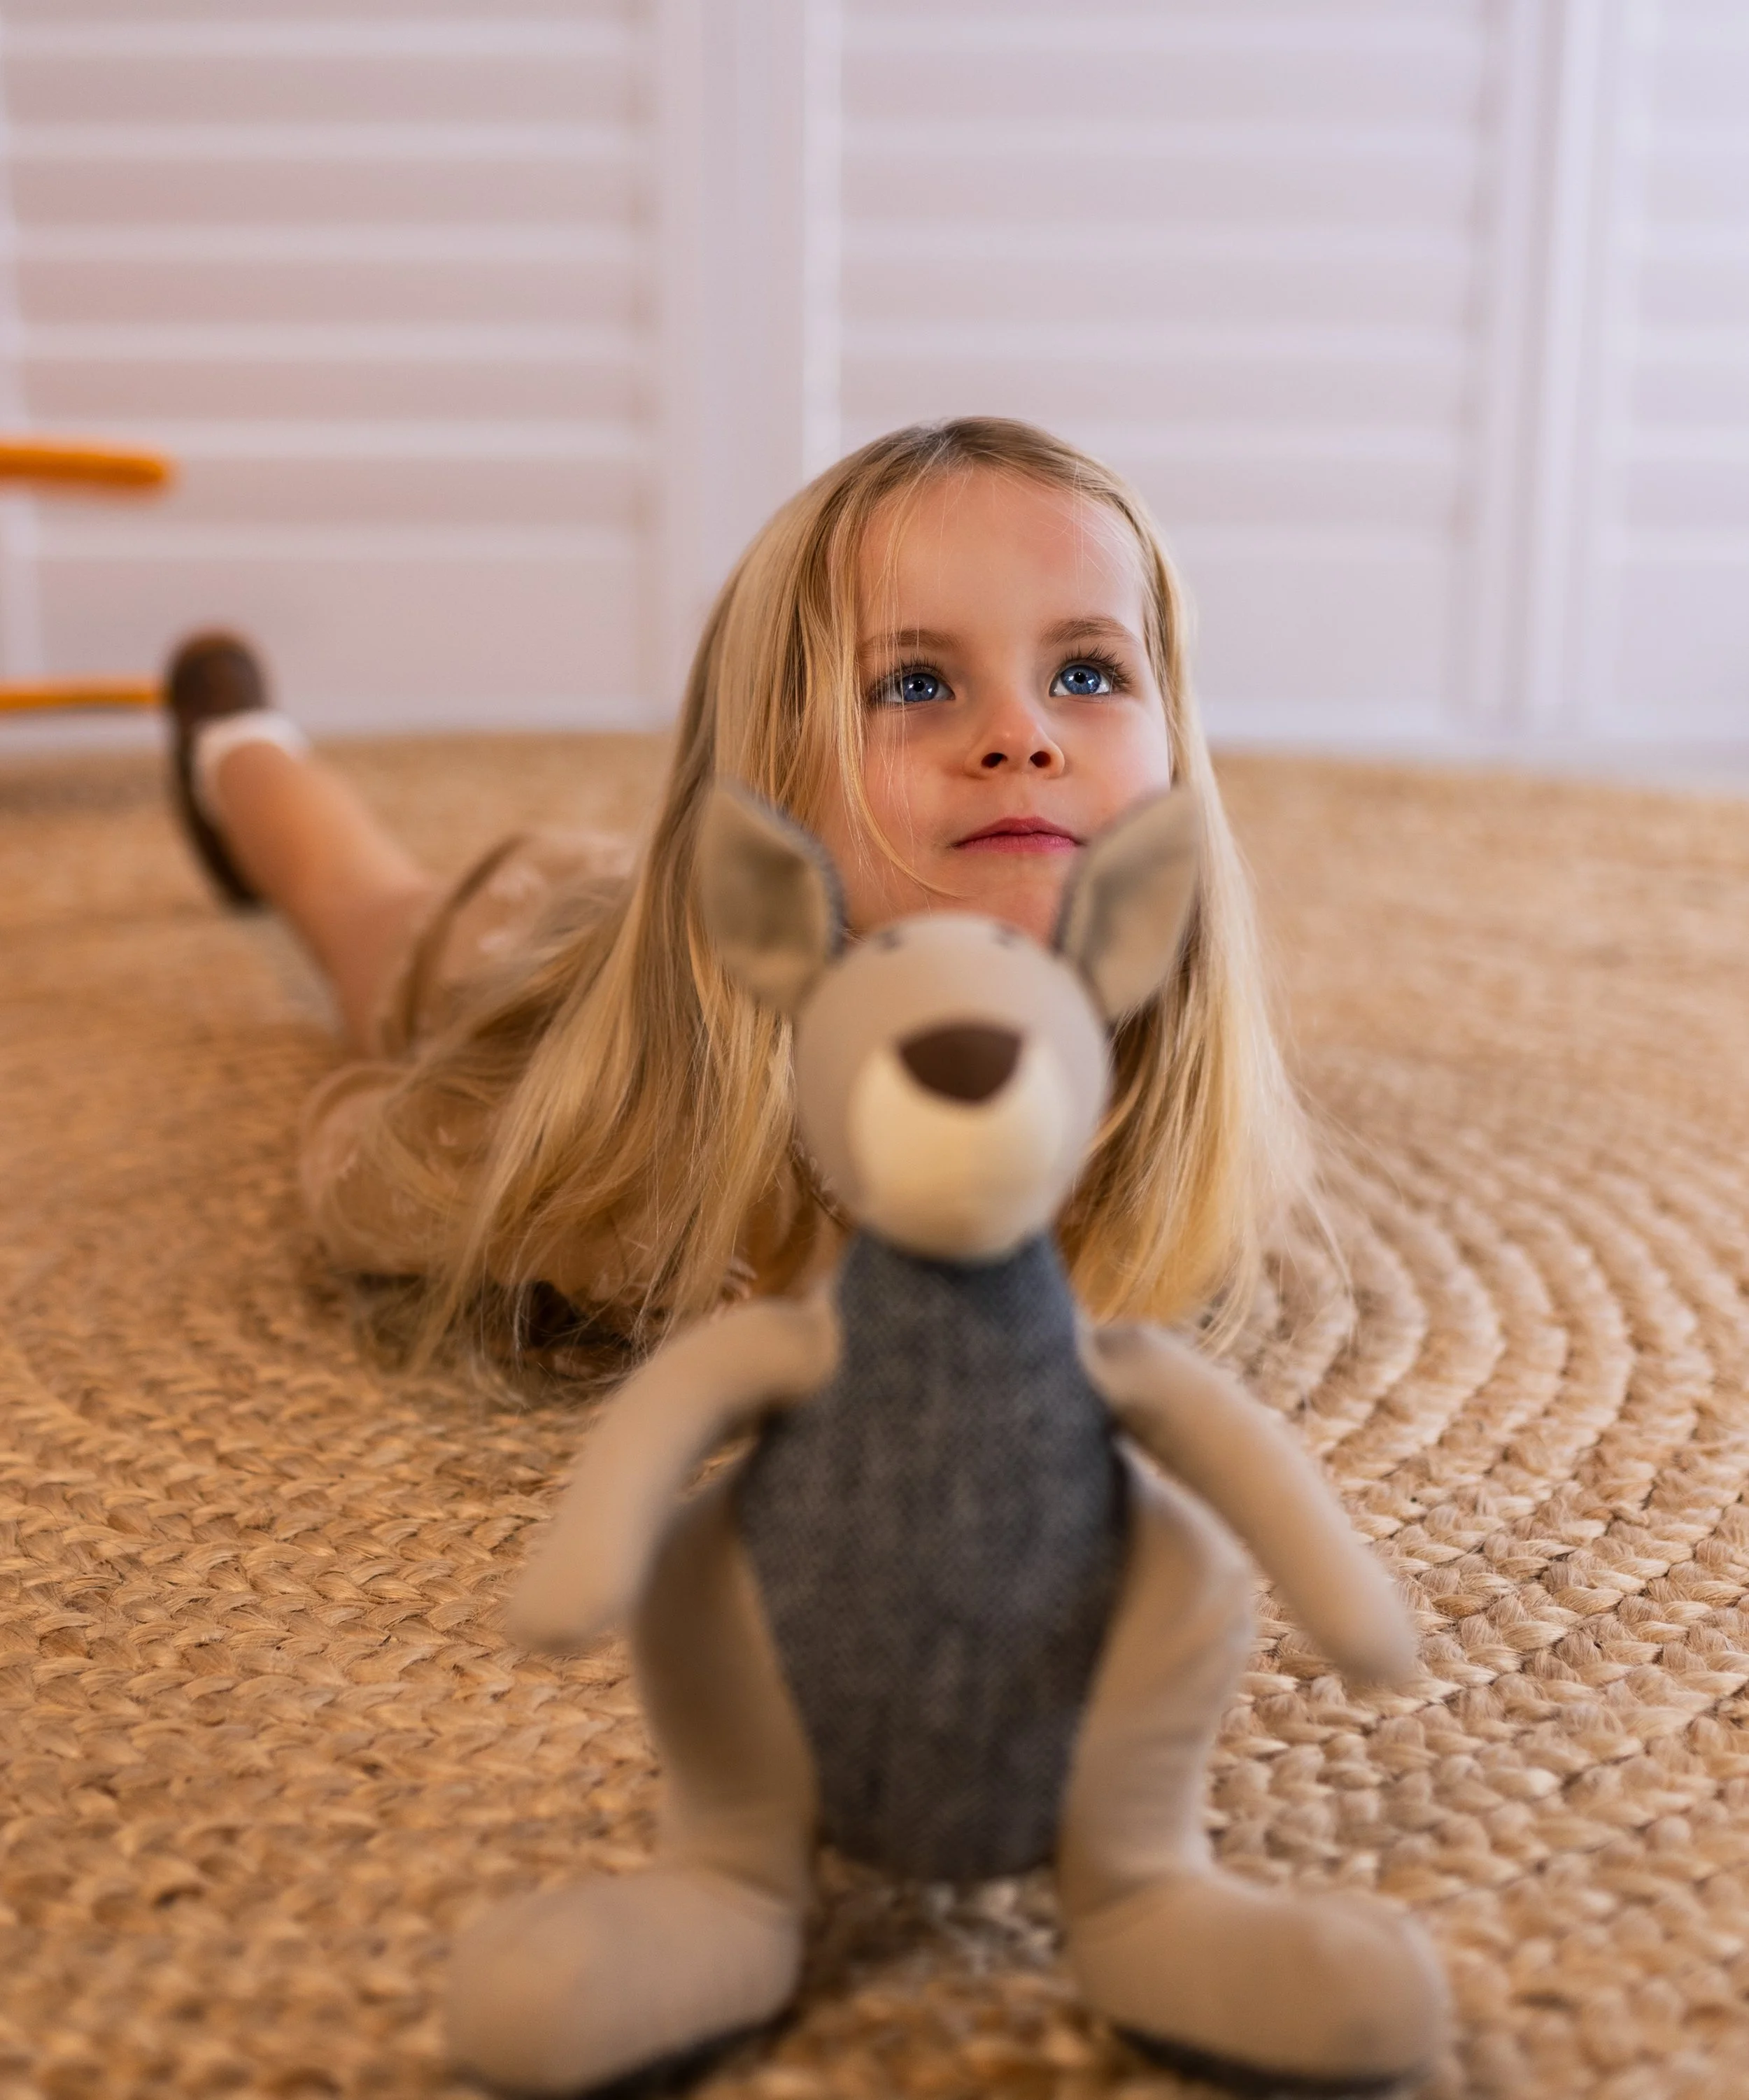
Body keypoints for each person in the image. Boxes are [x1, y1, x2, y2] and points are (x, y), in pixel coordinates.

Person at [167, 417, 1315, 1365]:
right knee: (356, 900)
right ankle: (239, 750)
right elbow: (360, 1160)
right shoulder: (621, 1161)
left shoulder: (1179, 1105)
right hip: (537, 932)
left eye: (1086, 672)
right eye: (915, 681)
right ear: (774, 787)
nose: (1020, 735)